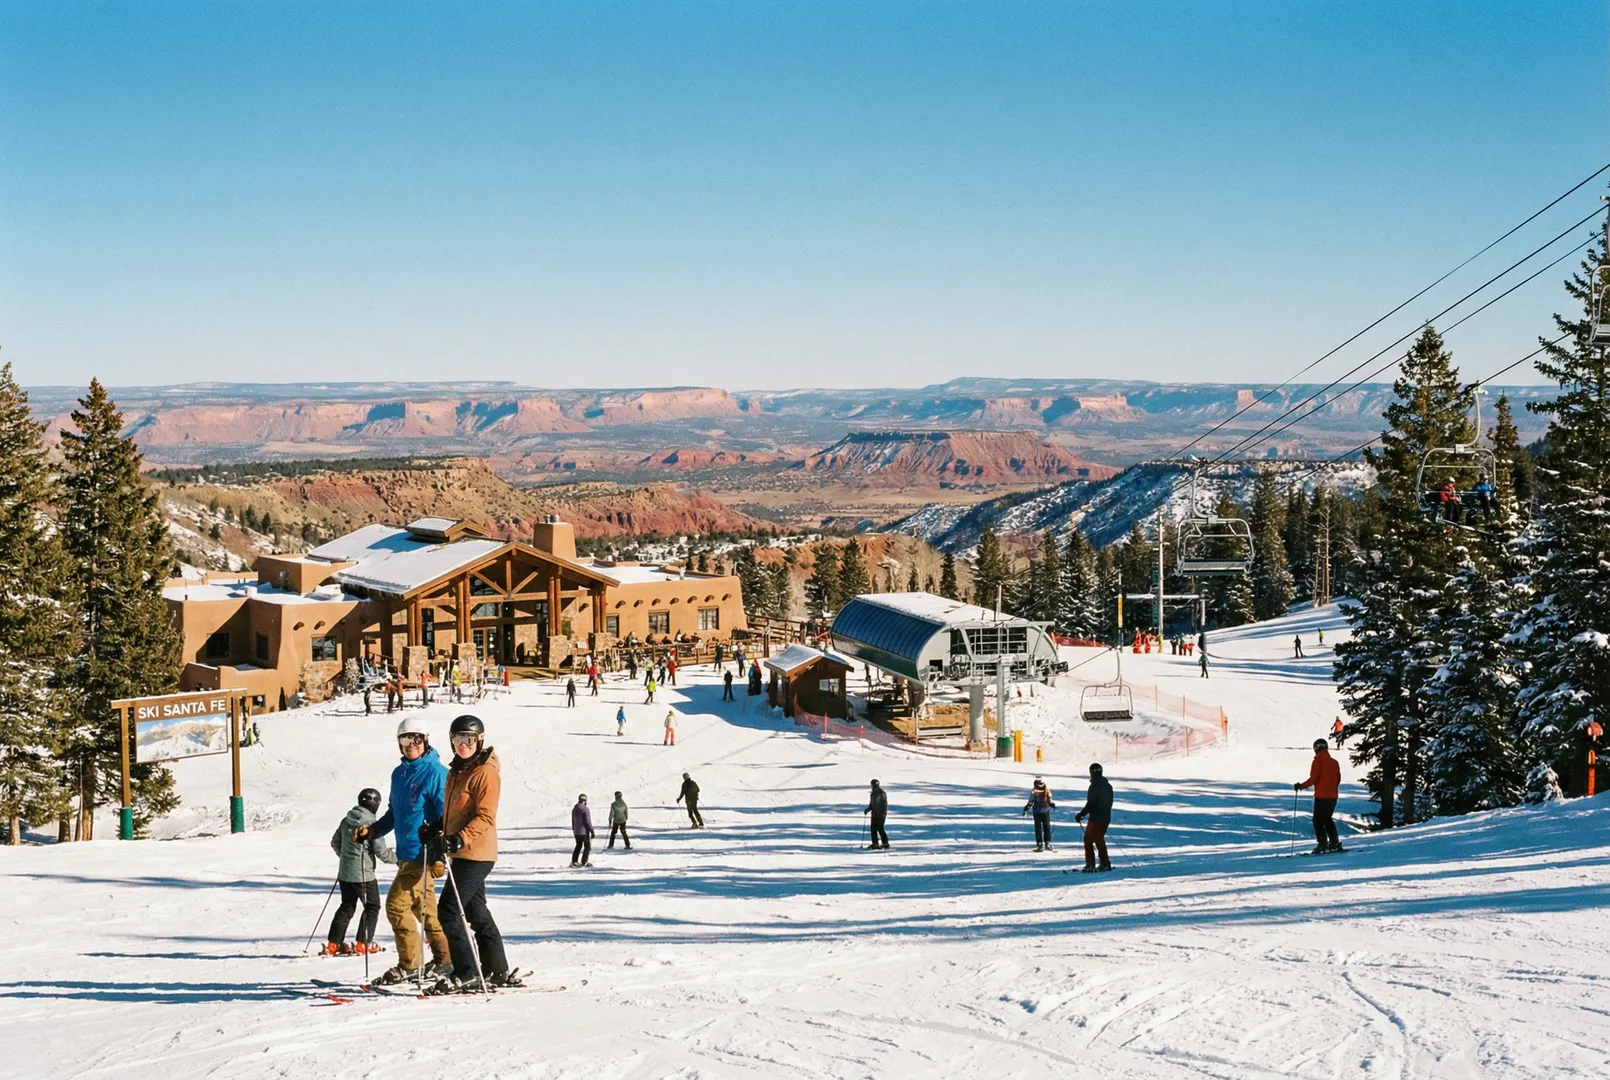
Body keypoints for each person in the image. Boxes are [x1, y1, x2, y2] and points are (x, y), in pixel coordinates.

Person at [426, 714, 520, 992]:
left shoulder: (485, 772)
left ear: (479, 741)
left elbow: (485, 816)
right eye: (458, 738)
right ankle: (496, 969)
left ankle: (467, 971)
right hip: (463, 852)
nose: (462, 744)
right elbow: (455, 812)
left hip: (477, 852)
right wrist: (436, 828)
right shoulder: (457, 770)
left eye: (468, 739)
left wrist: (458, 839)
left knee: (448, 911)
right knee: (476, 911)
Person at [357, 717, 451, 985]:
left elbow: (447, 815)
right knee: (426, 910)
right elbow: (395, 813)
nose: (411, 744)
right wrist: (373, 831)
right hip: (405, 855)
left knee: (396, 906)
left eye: (417, 739)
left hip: (424, 855)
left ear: (426, 740)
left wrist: (440, 849)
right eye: (405, 739)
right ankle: (446, 959)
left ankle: (410, 964)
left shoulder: (435, 772)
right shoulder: (399, 774)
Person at [325, 787, 395, 956]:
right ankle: (363, 944)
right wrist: (400, 859)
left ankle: (333, 945)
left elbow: (335, 842)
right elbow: (382, 852)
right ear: (375, 805)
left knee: (347, 906)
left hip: (345, 873)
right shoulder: (371, 824)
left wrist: (347, 859)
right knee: (372, 906)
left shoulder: (346, 820)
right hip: (364, 875)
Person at [1295, 737, 1343, 854]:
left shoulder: (1317, 762)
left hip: (1322, 796)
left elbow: (1314, 779)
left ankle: (1322, 844)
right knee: (1327, 819)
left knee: (1317, 820)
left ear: (1316, 749)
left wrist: (1301, 786)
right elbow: (1338, 779)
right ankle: (1334, 842)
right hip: (1333, 796)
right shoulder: (1334, 762)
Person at [1074, 763, 1113, 872]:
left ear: (1091, 772)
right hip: (1106, 817)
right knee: (1099, 839)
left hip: (1096, 818)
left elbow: (1090, 804)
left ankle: (1090, 864)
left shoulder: (1094, 786)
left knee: (1088, 839)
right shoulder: (1108, 785)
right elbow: (1110, 802)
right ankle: (1105, 863)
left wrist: (1081, 815)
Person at [1022, 778, 1056, 852]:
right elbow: (1050, 801)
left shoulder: (1034, 792)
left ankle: (1039, 844)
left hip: (1037, 812)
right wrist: (1053, 805)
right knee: (1047, 827)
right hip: (1045, 812)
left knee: (1038, 828)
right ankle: (1047, 843)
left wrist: (1026, 809)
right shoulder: (1047, 791)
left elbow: (1030, 802)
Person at [570, 794, 595, 867]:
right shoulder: (585, 809)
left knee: (578, 845)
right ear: (585, 801)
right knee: (587, 847)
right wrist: (592, 830)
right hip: (584, 832)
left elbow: (573, 820)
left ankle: (574, 861)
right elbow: (587, 821)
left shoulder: (575, 809)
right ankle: (584, 862)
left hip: (576, 831)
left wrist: (574, 829)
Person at [864, 779, 889, 849]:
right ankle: (875, 843)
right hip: (874, 814)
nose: (871, 786)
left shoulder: (882, 793)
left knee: (880, 829)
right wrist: (867, 810)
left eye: (872, 785)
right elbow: (871, 805)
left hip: (880, 814)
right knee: (873, 829)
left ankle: (885, 843)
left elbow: (885, 804)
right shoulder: (872, 794)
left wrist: (884, 813)